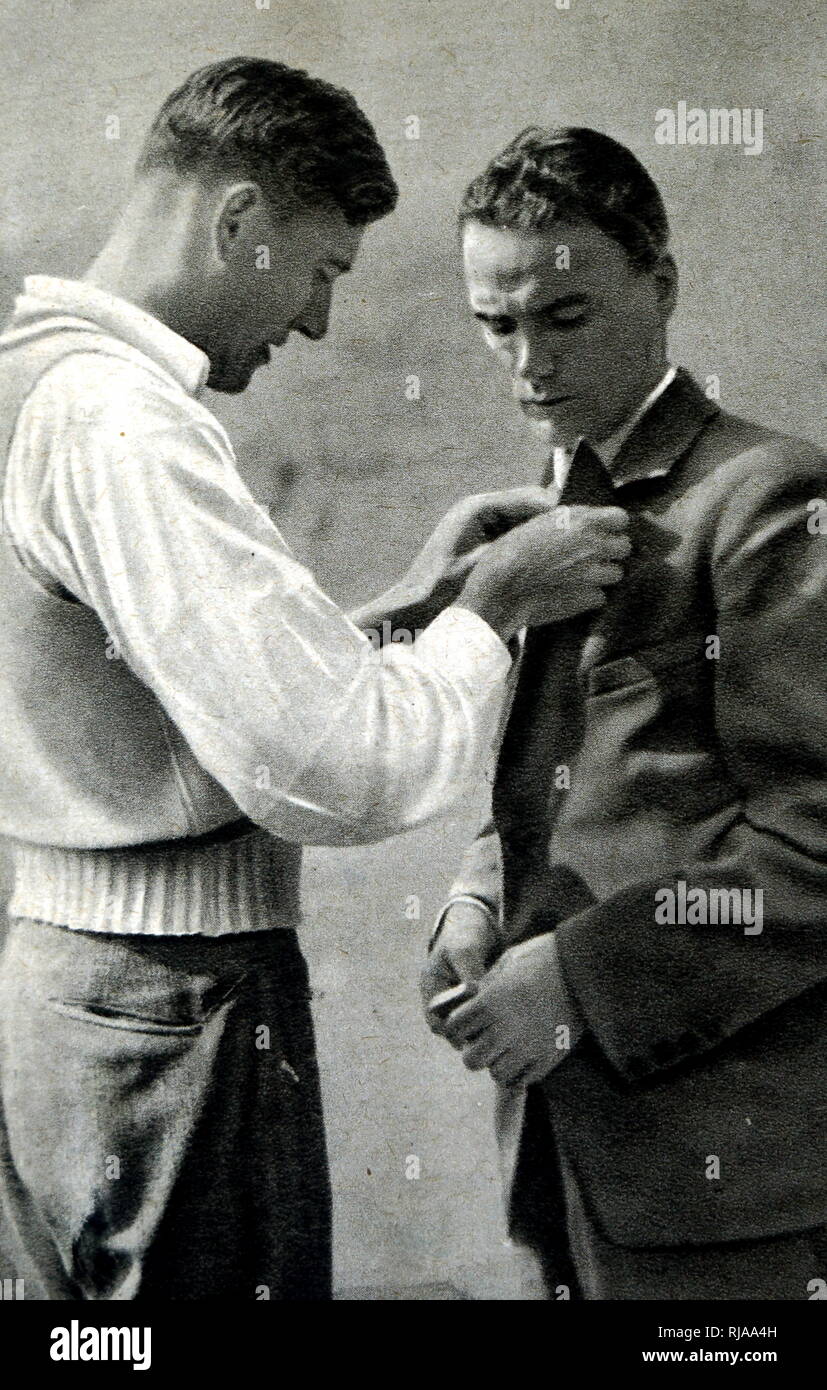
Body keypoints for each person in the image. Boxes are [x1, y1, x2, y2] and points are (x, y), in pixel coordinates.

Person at [0, 70, 630, 1301]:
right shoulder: (122, 426)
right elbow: (331, 774)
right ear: (239, 224)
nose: (317, 322)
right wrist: (492, 607)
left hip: (66, 1000)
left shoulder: (28, 380)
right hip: (174, 1014)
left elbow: (159, 693)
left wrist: (414, 607)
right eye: (323, 269)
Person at [424, 126, 827, 1300]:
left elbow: (813, 840)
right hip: (569, 1151)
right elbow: (565, 774)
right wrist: (476, 894)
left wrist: (578, 979)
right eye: (494, 326)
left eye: (563, 317)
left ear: (659, 286)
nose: (524, 367)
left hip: (728, 1178)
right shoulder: (543, 509)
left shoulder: (766, 495)